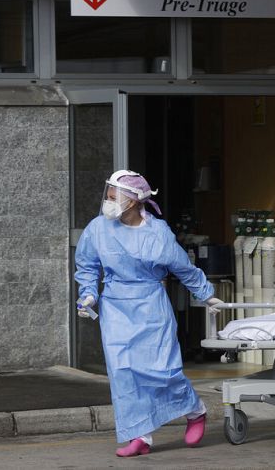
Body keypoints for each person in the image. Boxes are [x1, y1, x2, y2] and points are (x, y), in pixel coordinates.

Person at [74, 170, 224, 457]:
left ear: (132, 201)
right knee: (124, 373)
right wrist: (89, 293)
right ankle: (140, 435)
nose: (107, 202)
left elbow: (182, 268)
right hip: (115, 307)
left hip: (151, 305)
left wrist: (206, 295)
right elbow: (87, 265)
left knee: (161, 371)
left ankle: (195, 410)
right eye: (107, 196)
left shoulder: (158, 233)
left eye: (113, 197)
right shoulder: (98, 229)